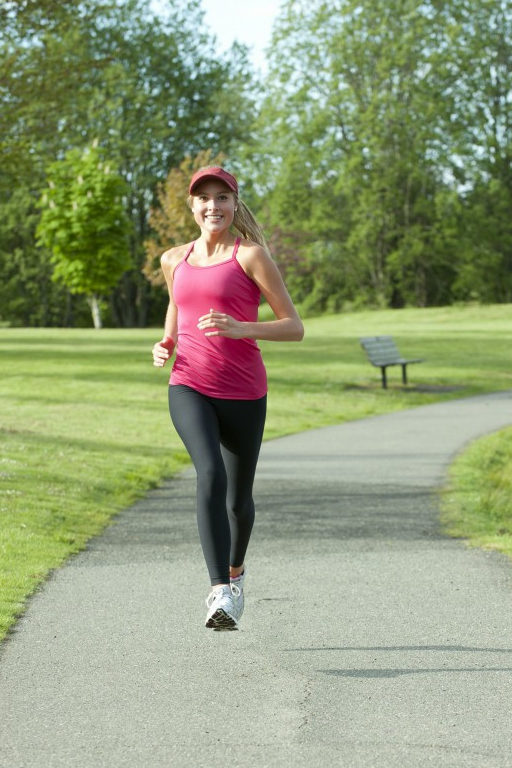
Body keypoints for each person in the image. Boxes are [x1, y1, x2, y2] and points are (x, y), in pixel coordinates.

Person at [152, 166, 304, 631]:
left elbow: (294, 327)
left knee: (238, 501)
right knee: (209, 474)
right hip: (188, 384)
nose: (212, 206)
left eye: (222, 198)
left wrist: (242, 328)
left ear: (235, 205)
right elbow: (178, 307)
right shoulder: (173, 258)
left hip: (243, 390)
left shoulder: (251, 257)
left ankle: (236, 575)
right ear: (192, 206)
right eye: (204, 199)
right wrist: (166, 343)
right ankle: (219, 590)